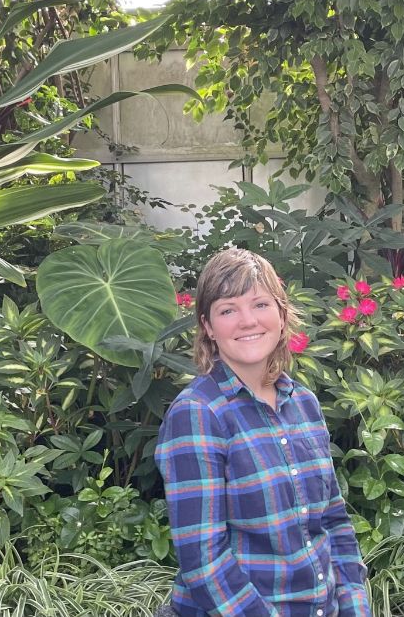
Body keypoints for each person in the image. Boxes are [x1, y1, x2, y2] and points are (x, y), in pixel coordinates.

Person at [155, 248, 371, 617]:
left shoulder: (303, 404)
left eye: (259, 304)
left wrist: (355, 607)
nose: (247, 321)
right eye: (227, 310)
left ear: (282, 314)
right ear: (207, 325)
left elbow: (333, 522)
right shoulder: (198, 414)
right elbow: (204, 563)